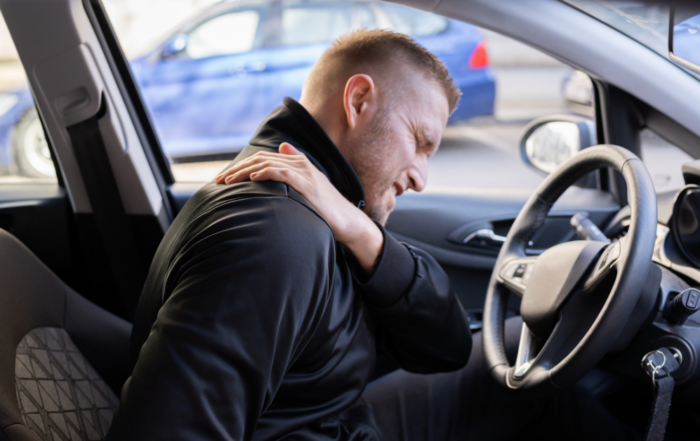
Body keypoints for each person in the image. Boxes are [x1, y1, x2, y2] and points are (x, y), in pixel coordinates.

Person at [107, 29, 640, 441]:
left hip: (335, 421)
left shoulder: (325, 211)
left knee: (509, 373)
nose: (420, 177)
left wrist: (364, 234)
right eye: (419, 141)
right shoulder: (273, 238)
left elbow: (448, 347)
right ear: (358, 100)